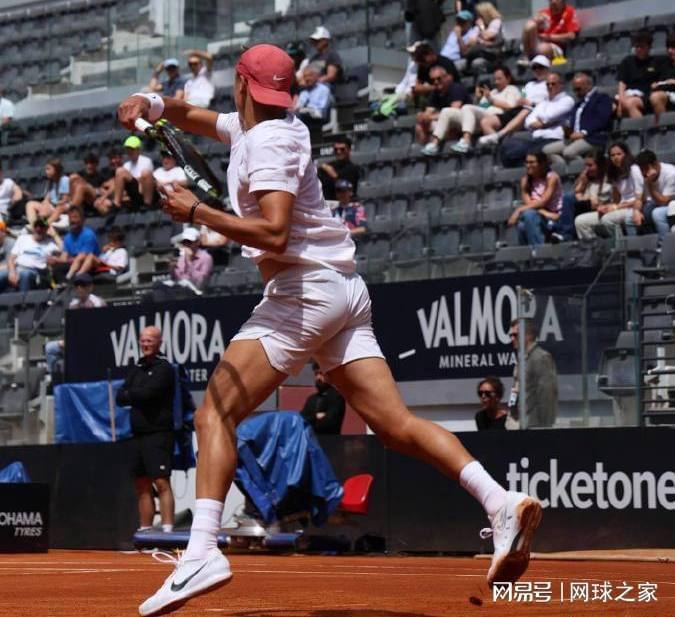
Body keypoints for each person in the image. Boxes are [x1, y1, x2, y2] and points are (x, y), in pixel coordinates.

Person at [118, 43, 542, 616]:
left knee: (213, 413)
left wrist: (198, 213)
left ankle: (201, 551)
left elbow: (273, 233)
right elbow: (194, 116)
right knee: (396, 426)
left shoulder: (266, 141)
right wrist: (148, 102)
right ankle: (499, 501)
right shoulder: (262, 125)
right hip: (344, 290)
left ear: (239, 83)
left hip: (304, 292)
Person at [116, 326, 176, 537]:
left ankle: (168, 532)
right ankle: (145, 532)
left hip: (159, 434)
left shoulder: (165, 368)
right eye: (143, 340)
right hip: (137, 435)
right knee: (141, 484)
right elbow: (120, 397)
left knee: (161, 481)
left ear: (159, 342)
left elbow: (149, 394)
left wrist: (132, 394)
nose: (145, 344)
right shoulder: (137, 368)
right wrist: (136, 394)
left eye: (150, 340)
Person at [501, 72, 574, 168]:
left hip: (553, 139)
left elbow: (548, 117)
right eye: (547, 84)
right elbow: (528, 122)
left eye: (553, 84)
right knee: (507, 146)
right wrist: (546, 122)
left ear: (561, 85)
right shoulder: (543, 102)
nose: (550, 87)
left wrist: (542, 120)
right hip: (536, 140)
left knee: (528, 152)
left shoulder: (567, 100)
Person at [575, 142, 644, 239]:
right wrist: (606, 207)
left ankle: (620, 245)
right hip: (620, 208)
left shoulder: (634, 170)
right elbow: (616, 201)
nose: (616, 157)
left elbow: (640, 199)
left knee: (607, 219)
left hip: (633, 208)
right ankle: (593, 246)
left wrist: (616, 207)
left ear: (626, 154)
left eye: (619, 154)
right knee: (580, 221)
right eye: (612, 155)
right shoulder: (615, 174)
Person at [478, 55, 551, 147]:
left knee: (526, 110)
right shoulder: (529, 85)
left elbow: (551, 102)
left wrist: (532, 103)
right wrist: (520, 101)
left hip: (534, 110)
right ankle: (497, 146)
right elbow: (523, 96)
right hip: (519, 109)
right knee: (486, 122)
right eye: (534, 67)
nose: (537, 70)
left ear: (547, 68)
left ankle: (499, 135)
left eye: (540, 67)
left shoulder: (551, 84)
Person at [44, 273, 106, 380]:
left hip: (94, 343)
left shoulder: (97, 303)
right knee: (50, 348)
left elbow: (100, 329)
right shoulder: (73, 305)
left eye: (83, 285)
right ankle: (56, 381)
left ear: (90, 287)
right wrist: (67, 341)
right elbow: (71, 329)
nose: (79, 288)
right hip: (76, 343)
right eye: (77, 285)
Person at [446, 66, 521, 154]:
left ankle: (466, 141)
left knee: (467, 107)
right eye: (495, 79)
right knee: (457, 111)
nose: (496, 82)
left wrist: (490, 99)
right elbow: (479, 107)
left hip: (498, 117)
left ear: (508, 78)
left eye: (499, 79)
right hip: (483, 116)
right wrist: (478, 98)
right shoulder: (493, 92)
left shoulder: (512, 89)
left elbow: (510, 106)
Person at [545, 72, 613, 166]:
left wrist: (584, 132)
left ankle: (586, 168)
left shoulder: (601, 98)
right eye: (574, 90)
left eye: (578, 89)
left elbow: (602, 119)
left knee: (568, 152)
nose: (576, 93)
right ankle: (566, 169)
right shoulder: (579, 104)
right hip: (574, 138)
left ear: (588, 85)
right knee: (547, 151)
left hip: (592, 137)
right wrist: (568, 129)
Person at [509, 319, 558, 428]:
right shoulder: (522, 359)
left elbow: (547, 395)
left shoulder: (540, 357)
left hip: (535, 425)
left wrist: (544, 427)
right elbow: (516, 389)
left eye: (515, 335)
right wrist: (512, 410)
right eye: (511, 335)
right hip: (521, 423)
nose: (512, 338)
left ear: (529, 335)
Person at [508, 152, 563, 247]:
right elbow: (529, 205)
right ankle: (531, 253)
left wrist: (519, 209)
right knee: (522, 225)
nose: (528, 165)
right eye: (526, 162)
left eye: (532, 162)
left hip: (553, 219)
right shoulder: (525, 180)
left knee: (528, 215)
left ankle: (538, 251)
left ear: (542, 164)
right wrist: (545, 213)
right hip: (543, 215)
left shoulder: (551, 177)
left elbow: (543, 202)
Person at [417, 65, 471, 149]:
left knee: (448, 123)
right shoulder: (435, 93)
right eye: (432, 80)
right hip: (445, 123)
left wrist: (430, 117)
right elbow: (428, 112)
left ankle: (436, 146)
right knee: (420, 126)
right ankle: (424, 151)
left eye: (438, 78)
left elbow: (453, 112)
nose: (436, 82)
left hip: (463, 122)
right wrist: (423, 117)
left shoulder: (456, 88)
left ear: (446, 78)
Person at [0, 218, 58, 292]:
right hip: (18, 268)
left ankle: (23, 299)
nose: (39, 229)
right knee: (1, 275)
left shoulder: (50, 243)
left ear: (46, 229)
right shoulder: (23, 238)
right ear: (33, 228)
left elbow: (64, 250)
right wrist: (12, 272)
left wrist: (55, 235)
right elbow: (11, 258)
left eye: (42, 227)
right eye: (36, 226)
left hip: (35, 271)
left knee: (25, 275)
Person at [566, 149, 613, 241]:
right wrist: (582, 180)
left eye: (590, 165)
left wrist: (583, 197)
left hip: (603, 210)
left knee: (570, 201)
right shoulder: (588, 179)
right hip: (587, 208)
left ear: (600, 166)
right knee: (568, 199)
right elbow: (577, 193)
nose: (587, 169)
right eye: (586, 165)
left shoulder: (608, 180)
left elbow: (597, 202)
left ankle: (567, 235)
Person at [617, 30, 662, 119]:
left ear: (649, 47)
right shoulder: (627, 62)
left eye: (642, 47)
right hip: (627, 94)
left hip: (645, 96)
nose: (638, 49)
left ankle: (643, 127)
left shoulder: (656, 62)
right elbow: (622, 83)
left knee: (630, 104)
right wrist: (621, 101)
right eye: (637, 46)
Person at [48, 205, 100, 281]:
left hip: (90, 265)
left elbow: (83, 257)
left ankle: (75, 278)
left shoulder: (88, 234)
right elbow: (64, 258)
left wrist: (65, 260)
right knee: (56, 266)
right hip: (73, 265)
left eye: (75, 217)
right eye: (70, 218)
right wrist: (55, 259)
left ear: (82, 220)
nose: (72, 220)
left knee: (81, 258)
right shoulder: (67, 237)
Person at [519, 0, 579, 65]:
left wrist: (549, 37)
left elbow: (571, 36)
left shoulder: (569, 12)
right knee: (530, 25)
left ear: (563, 2)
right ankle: (526, 58)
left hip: (556, 47)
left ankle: (534, 62)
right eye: (551, 2)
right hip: (538, 44)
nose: (553, 5)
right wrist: (536, 22)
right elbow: (529, 30)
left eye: (556, 3)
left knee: (543, 48)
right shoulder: (543, 13)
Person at [636, 150, 675, 241]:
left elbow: (664, 202)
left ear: (655, 164)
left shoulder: (671, 174)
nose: (644, 173)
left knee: (657, 213)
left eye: (646, 168)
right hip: (655, 203)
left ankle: (664, 243)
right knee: (637, 214)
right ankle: (649, 242)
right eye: (641, 170)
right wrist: (636, 211)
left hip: (671, 204)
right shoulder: (643, 175)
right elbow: (641, 199)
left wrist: (650, 185)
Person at [301, 362, 346, 435]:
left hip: (330, 440)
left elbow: (329, 422)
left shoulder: (337, 397)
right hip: (311, 439)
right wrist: (316, 416)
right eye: (316, 374)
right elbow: (302, 420)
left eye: (321, 373)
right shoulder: (311, 399)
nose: (318, 377)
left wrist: (310, 421)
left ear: (329, 375)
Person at [25, 159, 70, 228]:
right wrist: (44, 206)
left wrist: (49, 206)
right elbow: (47, 199)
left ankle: (44, 225)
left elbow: (65, 200)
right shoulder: (50, 182)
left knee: (58, 207)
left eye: (48, 169)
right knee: (30, 204)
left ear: (56, 169)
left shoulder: (64, 180)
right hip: (52, 207)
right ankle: (34, 225)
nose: (46, 172)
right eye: (46, 169)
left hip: (61, 208)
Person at [113, 136, 155, 210]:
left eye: (132, 149)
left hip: (145, 189)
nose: (130, 152)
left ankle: (147, 204)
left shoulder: (146, 161)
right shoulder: (126, 165)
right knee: (119, 171)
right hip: (133, 191)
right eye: (128, 149)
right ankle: (116, 204)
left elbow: (147, 178)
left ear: (138, 149)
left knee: (146, 173)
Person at [462, 2, 504, 73]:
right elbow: (470, 41)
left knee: (476, 62)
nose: (478, 17)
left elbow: (487, 36)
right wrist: (481, 40)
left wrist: (481, 28)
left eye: (479, 15)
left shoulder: (496, 22)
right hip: (481, 51)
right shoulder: (480, 25)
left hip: (493, 52)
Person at [317, 137, 361, 201]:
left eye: (342, 149)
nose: (338, 151)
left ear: (349, 150)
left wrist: (333, 174)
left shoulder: (353, 169)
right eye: (336, 149)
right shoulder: (328, 166)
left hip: (346, 204)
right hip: (327, 203)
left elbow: (346, 187)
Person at [171, 227, 214, 291]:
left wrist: (190, 260)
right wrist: (172, 269)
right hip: (182, 290)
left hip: (197, 291)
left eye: (189, 242)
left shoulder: (206, 258)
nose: (186, 245)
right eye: (184, 242)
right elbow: (177, 278)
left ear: (197, 242)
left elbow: (201, 282)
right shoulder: (181, 258)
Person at [294, 66, 332, 130]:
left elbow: (322, 109)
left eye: (309, 75)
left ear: (316, 76)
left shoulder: (323, 89)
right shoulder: (304, 92)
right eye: (305, 76)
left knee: (299, 116)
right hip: (304, 115)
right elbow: (298, 106)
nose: (307, 78)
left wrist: (306, 110)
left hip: (318, 116)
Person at [650, 32, 675, 121]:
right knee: (655, 97)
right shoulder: (662, 63)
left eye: (673, 48)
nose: (670, 51)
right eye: (668, 47)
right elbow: (653, 80)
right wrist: (653, 84)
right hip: (666, 94)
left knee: (656, 96)